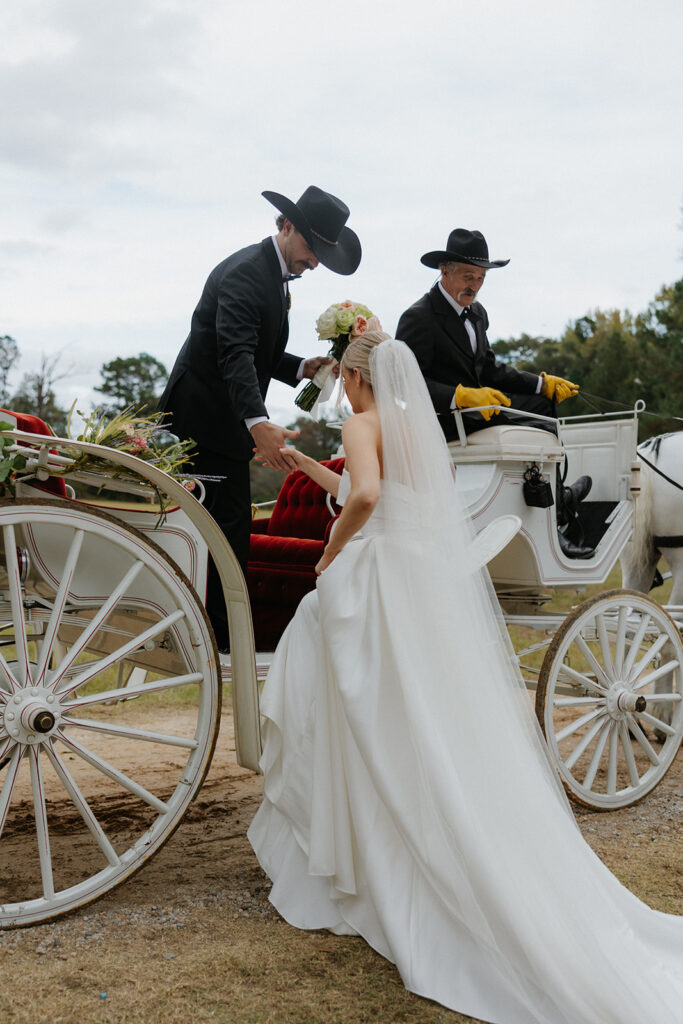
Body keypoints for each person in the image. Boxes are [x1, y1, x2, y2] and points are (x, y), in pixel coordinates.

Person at [248, 330, 683, 1024]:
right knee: (400, 712)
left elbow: (361, 500)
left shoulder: (361, 423)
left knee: (314, 634)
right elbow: (373, 492)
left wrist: (329, 555)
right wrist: (306, 465)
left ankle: (346, 830)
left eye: (340, 380)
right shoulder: (413, 430)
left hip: (374, 574)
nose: (340, 393)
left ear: (354, 379)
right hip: (412, 574)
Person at [157, 186, 361, 648]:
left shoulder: (272, 272)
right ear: (286, 226)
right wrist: (258, 422)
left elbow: (256, 349)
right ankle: (217, 641)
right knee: (224, 534)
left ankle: (215, 634)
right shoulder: (249, 273)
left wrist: (297, 368)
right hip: (206, 419)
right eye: (312, 249)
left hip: (222, 420)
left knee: (227, 529)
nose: (314, 263)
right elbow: (234, 354)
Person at [395, 228, 593, 557]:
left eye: (482, 277)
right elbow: (406, 385)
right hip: (445, 420)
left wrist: (541, 383)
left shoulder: (477, 313)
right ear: (445, 271)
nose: (474, 285)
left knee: (543, 404)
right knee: (540, 424)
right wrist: (460, 396)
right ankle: (558, 514)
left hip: (479, 411)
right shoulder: (419, 318)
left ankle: (558, 499)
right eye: (468, 276)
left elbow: (488, 370)